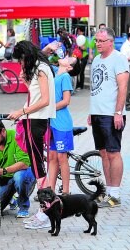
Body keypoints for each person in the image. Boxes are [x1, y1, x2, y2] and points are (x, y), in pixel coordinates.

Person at [88, 27, 129, 208]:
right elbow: (96, 87)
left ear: (111, 42)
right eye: (96, 40)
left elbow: (123, 88)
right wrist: (91, 111)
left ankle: (115, 194)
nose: (97, 44)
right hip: (98, 113)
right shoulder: (96, 59)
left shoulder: (119, 59)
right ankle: (107, 191)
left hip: (111, 114)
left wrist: (118, 112)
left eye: (101, 41)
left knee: (113, 153)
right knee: (103, 153)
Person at [7, 40, 55, 188]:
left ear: (26, 56)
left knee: (37, 164)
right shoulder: (40, 67)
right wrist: (26, 82)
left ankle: (47, 203)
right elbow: (36, 95)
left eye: (21, 59)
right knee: (37, 163)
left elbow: (45, 100)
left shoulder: (41, 69)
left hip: (35, 120)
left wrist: (20, 112)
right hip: (34, 119)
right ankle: (47, 201)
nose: (21, 63)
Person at [0, 120, 36, 219]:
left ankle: (23, 207)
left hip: (23, 173)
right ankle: (12, 199)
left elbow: (24, 163)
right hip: (5, 179)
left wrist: (3, 171)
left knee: (19, 177)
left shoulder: (17, 137)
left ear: (3, 131)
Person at [47, 57, 74, 196]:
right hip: (52, 122)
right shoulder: (55, 72)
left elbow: (66, 101)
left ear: (69, 66)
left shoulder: (65, 76)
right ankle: (50, 189)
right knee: (51, 157)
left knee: (62, 157)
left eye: (68, 58)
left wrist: (50, 108)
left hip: (62, 123)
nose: (64, 57)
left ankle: (65, 191)